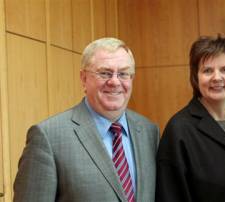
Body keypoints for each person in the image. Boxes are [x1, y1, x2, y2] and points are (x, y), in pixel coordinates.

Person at [14, 37, 160, 202]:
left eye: (123, 73)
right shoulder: (48, 138)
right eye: (104, 73)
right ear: (84, 79)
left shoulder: (149, 131)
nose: (114, 81)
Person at [155, 35, 225, 202]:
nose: (217, 77)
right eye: (207, 70)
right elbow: (170, 195)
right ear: (196, 77)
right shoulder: (179, 129)